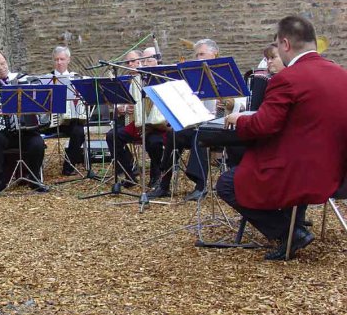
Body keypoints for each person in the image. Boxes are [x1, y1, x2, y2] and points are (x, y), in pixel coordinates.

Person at [216, 15, 347, 260]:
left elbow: (264, 126)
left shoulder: (287, 78)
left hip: (301, 174)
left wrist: (240, 120)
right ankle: (292, 224)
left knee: (226, 183)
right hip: (338, 171)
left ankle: (290, 233)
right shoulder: (341, 74)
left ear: (285, 44)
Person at [148, 39, 221, 201]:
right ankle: (164, 184)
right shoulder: (194, 77)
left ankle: (200, 186)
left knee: (200, 134)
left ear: (214, 54)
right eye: (196, 55)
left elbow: (237, 102)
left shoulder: (222, 73)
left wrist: (223, 102)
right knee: (175, 134)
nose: (197, 58)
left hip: (218, 125)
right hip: (197, 123)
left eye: (201, 54)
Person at [0, 50, 46, 195]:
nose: (1, 68)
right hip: (2, 131)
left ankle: (34, 179)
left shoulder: (23, 80)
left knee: (38, 143)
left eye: (3, 63)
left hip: (26, 130)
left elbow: (40, 102)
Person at [105, 50, 166, 188]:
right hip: (137, 124)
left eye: (148, 60)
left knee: (154, 141)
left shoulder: (162, 78)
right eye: (143, 61)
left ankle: (156, 177)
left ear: (157, 61)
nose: (144, 63)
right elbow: (122, 104)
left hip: (160, 127)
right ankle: (129, 174)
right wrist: (125, 109)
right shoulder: (135, 81)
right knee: (112, 136)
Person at [49, 45, 86, 175]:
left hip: (69, 121)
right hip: (49, 122)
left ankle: (68, 166)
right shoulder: (47, 79)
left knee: (79, 132)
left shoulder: (76, 78)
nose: (59, 62)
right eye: (56, 59)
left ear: (68, 60)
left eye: (62, 59)